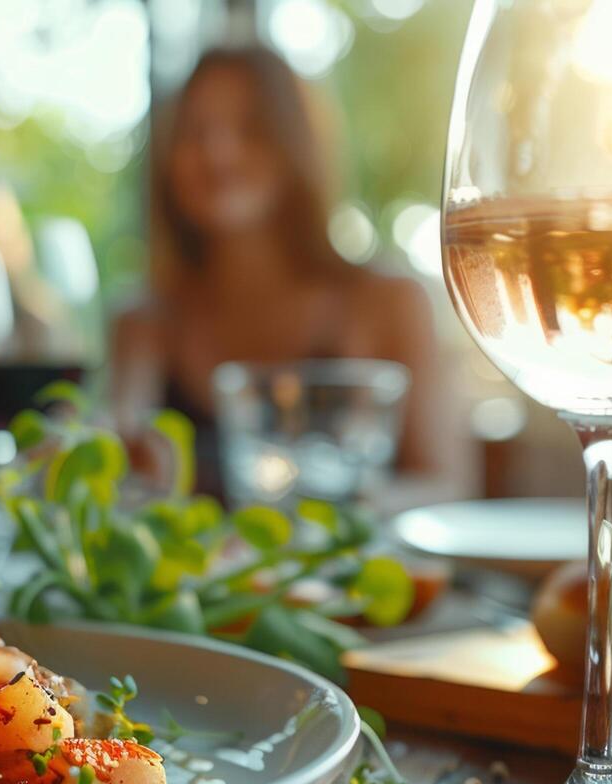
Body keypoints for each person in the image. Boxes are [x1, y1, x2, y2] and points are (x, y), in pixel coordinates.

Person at [112, 46, 475, 500]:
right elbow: (116, 464)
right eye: (194, 131)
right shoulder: (145, 319)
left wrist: (344, 518)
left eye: (249, 127)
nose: (216, 151)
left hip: (347, 568)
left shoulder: (388, 301)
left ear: (294, 143)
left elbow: (447, 485)